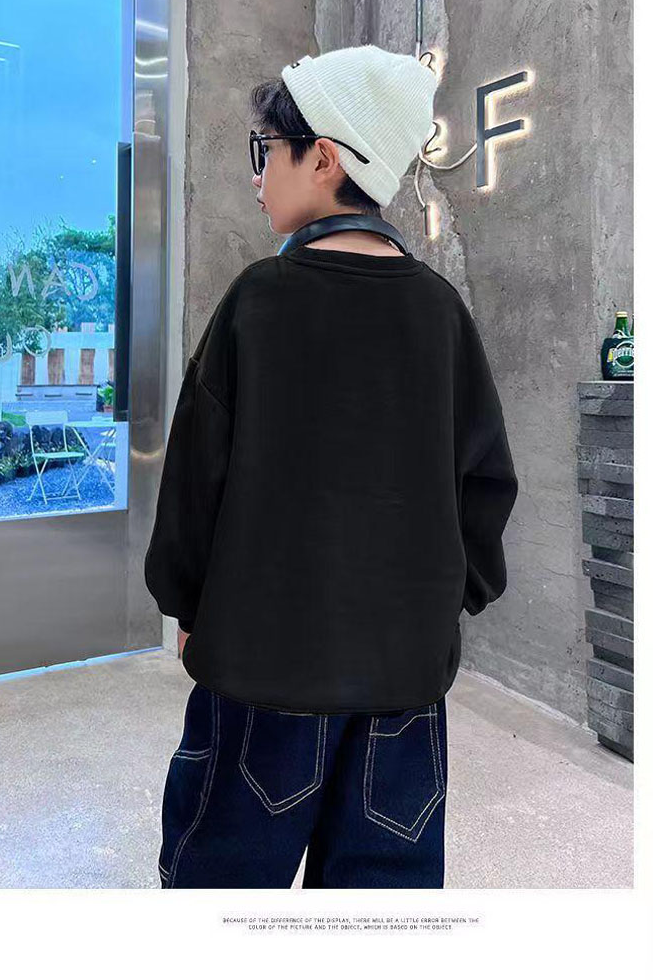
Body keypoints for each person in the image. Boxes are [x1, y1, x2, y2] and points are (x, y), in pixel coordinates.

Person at [144, 45, 518, 889]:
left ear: (323, 158)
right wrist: (439, 608)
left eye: (266, 151)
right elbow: (486, 483)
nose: (257, 176)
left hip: (262, 671)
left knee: (224, 892)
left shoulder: (259, 300)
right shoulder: (440, 312)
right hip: (403, 684)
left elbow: (197, 480)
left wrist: (187, 603)